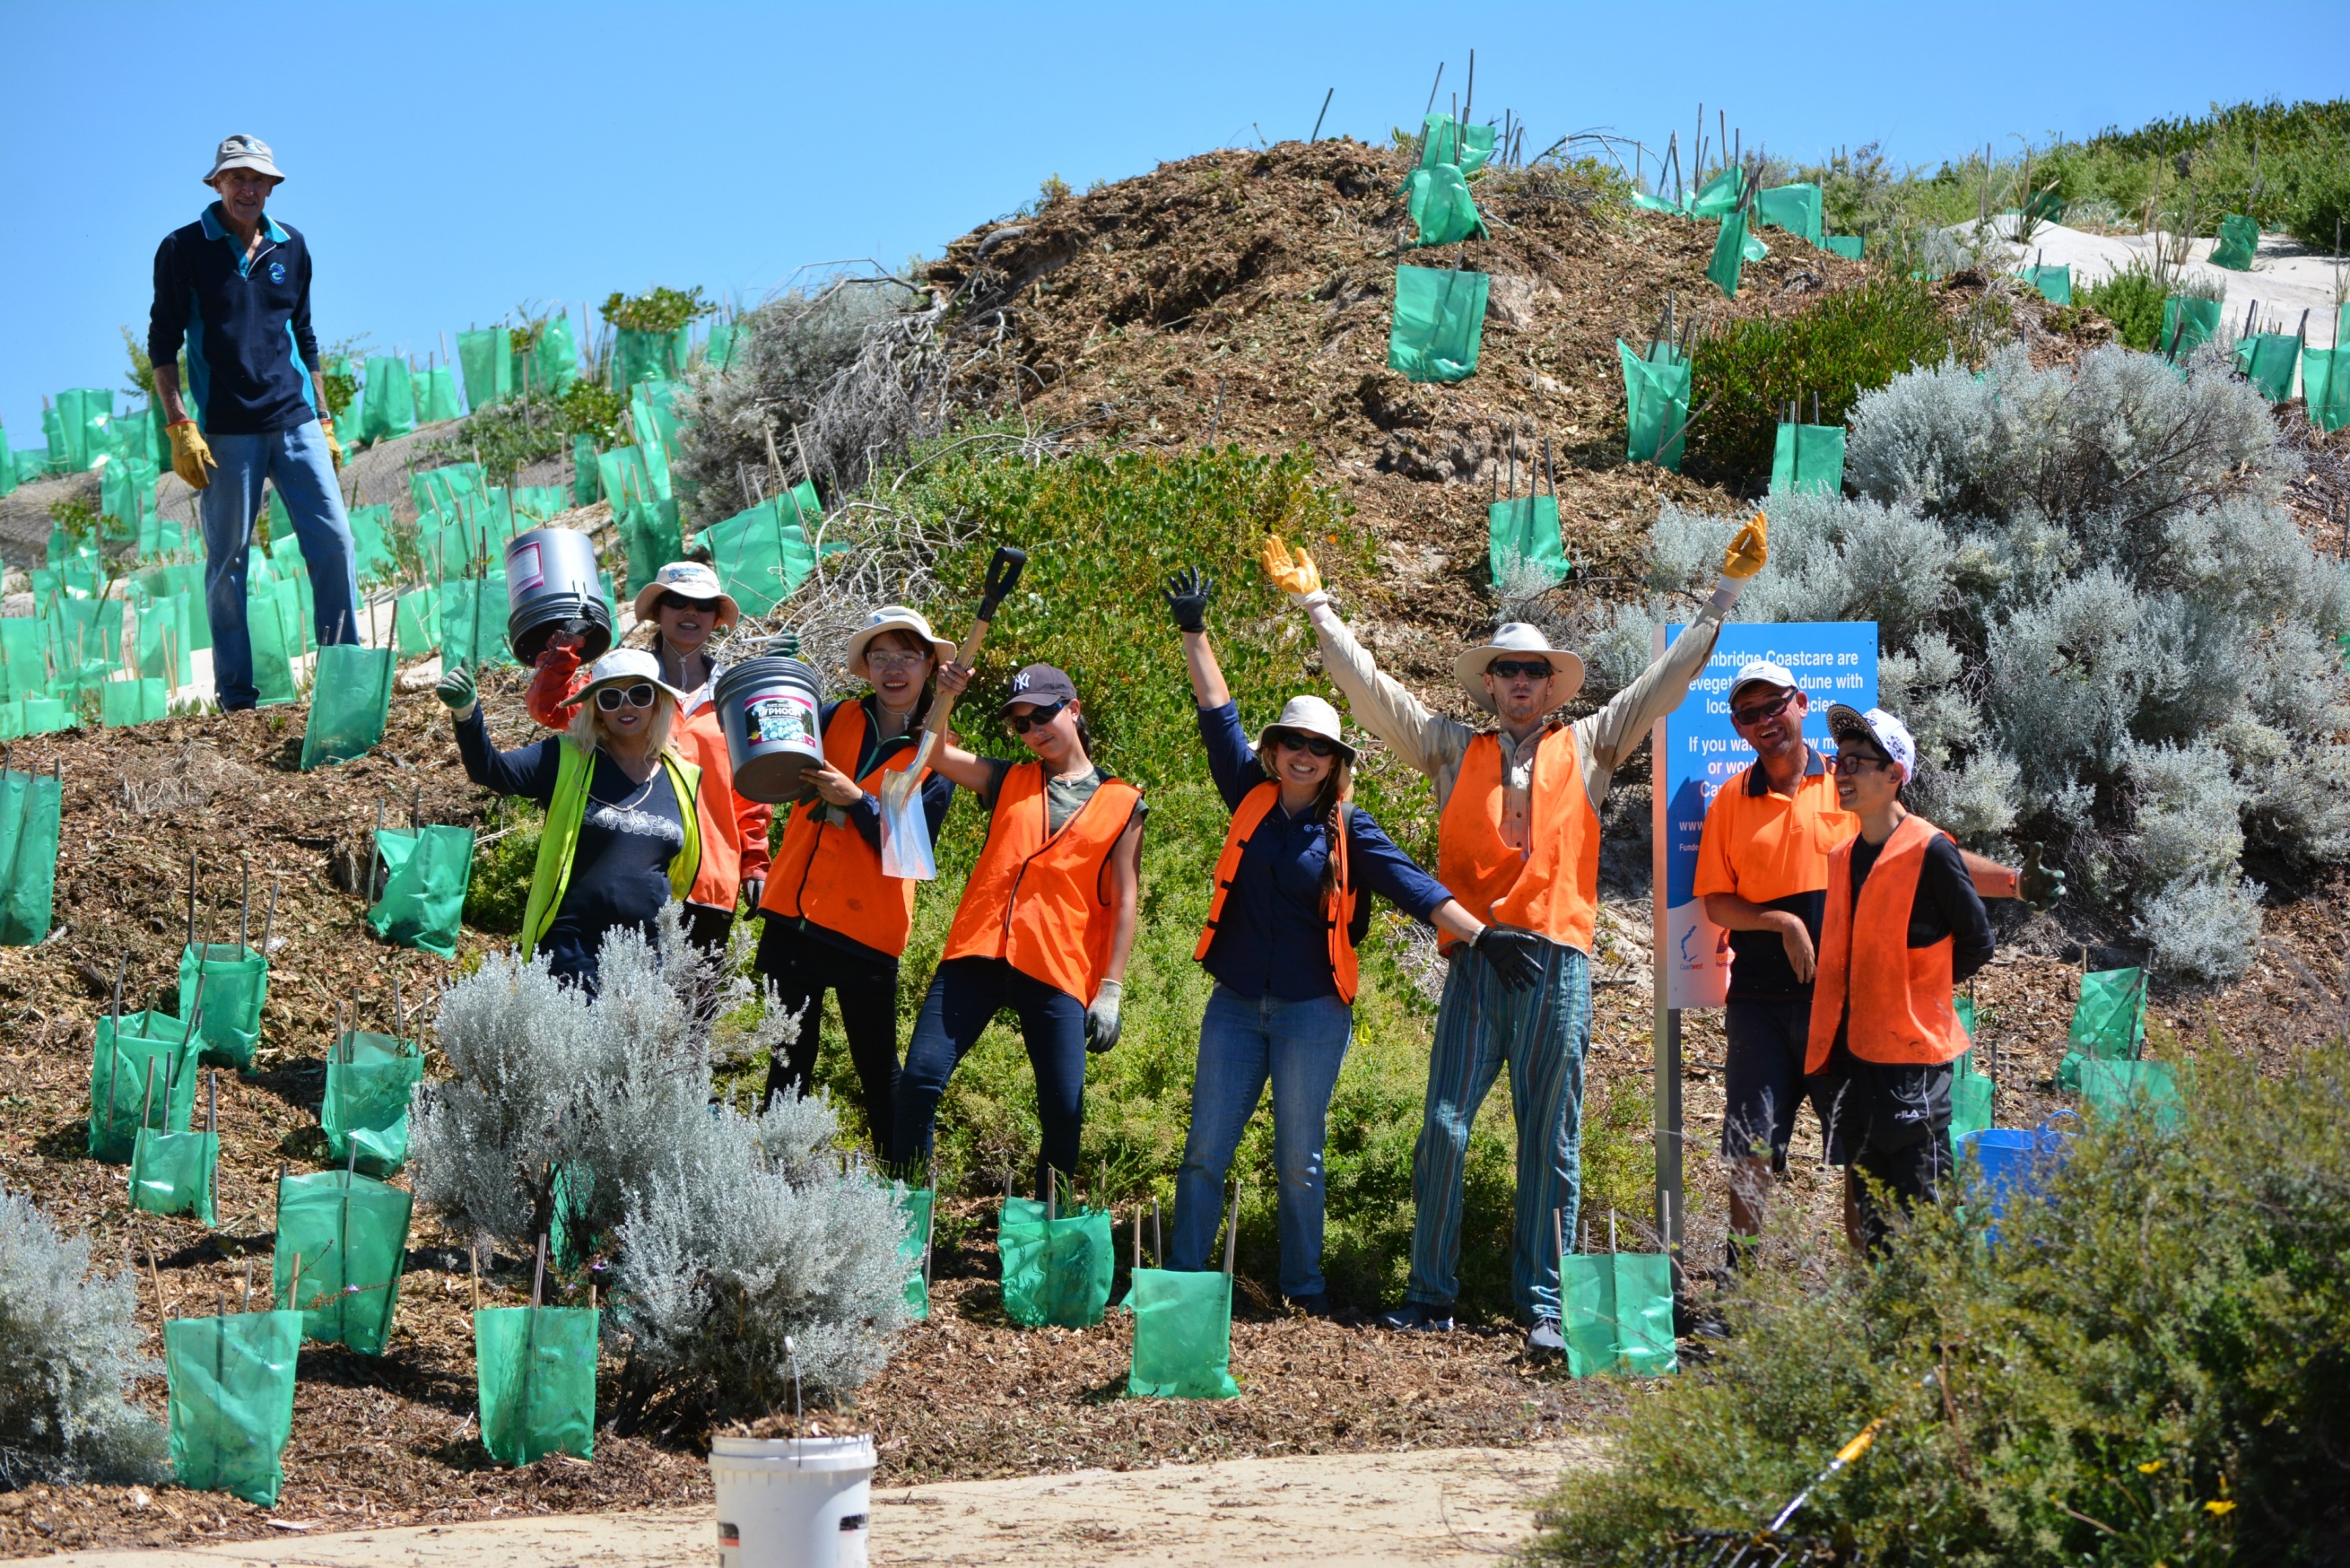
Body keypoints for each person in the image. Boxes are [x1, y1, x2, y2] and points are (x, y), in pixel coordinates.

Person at [1262, 516, 1769, 1355]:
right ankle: (1431, 1293)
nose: (1523, 681)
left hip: (1559, 965)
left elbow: (1665, 684)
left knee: (1550, 1137)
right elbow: (1370, 693)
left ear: (1551, 684)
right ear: (1490, 684)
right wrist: (1317, 606)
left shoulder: (1593, 744)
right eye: (1509, 670)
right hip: (1474, 963)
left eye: (1536, 670)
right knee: (1444, 1128)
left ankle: (1544, 1304)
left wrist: (1723, 598)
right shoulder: (1449, 749)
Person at [1162, 568, 1493, 1315]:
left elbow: (1417, 888)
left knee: (1298, 1162)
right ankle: (1181, 1285)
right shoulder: (1248, 794)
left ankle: (1302, 1293)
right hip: (1237, 1006)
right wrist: (1194, 630)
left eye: (1319, 746)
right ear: (1275, 750)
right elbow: (1218, 713)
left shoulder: (1351, 828)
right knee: (1205, 1153)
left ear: (1336, 759)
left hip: (1314, 1012)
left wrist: (1489, 938)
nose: (1303, 754)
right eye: (1292, 743)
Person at [1695, 663, 2063, 1265]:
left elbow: (1929, 857)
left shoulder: (1847, 781)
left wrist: (2017, 883)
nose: (1764, 722)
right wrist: (1780, 922)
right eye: (1748, 714)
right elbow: (1715, 899)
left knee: (1858, 1154)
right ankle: (1741, 1288)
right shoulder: (1733, 800)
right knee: (1753, 1146)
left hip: (1842, 1010)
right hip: (1761, 1002)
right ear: (1738, 728)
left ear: (1801, 703)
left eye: (1774, 707)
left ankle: (1868, 1290)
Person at [891, 664, 1145, 1197]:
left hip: (1057, 967)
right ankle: (905, 1221)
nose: (1033, 732)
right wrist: (945, 695)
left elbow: (1125, 901)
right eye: (1021, 725)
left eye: (1043, 715)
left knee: (1063, 1113)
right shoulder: (1008, 777)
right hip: (976, 954)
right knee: (917, 1083)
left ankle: (1044, 1248)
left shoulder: (1123, 802)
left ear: (1073, 709)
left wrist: (1111, 989)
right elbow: (930, 751)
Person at [146, 134, 361, 711]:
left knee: (335, 543)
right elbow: (162, 342)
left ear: (272, 187)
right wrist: (178, 424)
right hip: (224, 431)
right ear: (216, 184)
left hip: (296, 420)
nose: (248, 189)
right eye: (237, 178)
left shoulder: (293, 247)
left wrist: (325, 415)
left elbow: (305, 335)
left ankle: (344, 682)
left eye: (258, 180)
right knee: (228, 562)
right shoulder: (183, 249)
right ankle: (237, 696)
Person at [755, 606, 960, 1154]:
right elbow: (767, 759)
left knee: (878, 1073)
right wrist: (774, 683)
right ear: (866, 668)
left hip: (866, 934)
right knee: (786, 1064)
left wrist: (857, 801)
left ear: (929, 669)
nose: (894, 669)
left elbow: (913, 852)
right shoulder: (832, 717)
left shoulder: (938, 754)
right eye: (881, 657)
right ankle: (773, 1197)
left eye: (907, 657)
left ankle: (907, 1195)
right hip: (790, 921)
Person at [1802, 705, 1994, 1257]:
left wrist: (1920, 992)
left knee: (1922, 1218)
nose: (1843, 772)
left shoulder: (1931, 849)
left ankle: (1935, 1339)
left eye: (1858, 762)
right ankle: (1878, 1334)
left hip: (1913, 1064)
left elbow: (1978, 941)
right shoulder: (1842, 857)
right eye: (1839, 761)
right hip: (1854, 1062)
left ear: (1895, 776)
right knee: (1870, 1215)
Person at [526, 562, 773, 954]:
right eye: (677, 602)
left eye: (704, 605)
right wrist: (567, 643)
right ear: (658, 611)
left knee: (693, 1012)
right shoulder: (624, 684)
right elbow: (550, 707)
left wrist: (755, 861)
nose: (691, 612)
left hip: (709, 881)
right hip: (628, 884)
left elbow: (747, 790)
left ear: (715, 619)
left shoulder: (735, 696)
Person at [439, 648, 703, 991]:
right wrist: (467, 713)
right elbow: (492, 771)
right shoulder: (564, 757)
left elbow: (682, 867)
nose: (626, 706)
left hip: (649, 955)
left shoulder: (683, 775)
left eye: (640, 694)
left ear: (659, 702)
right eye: (611, 697)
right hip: (572, 950)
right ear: (596, 709)